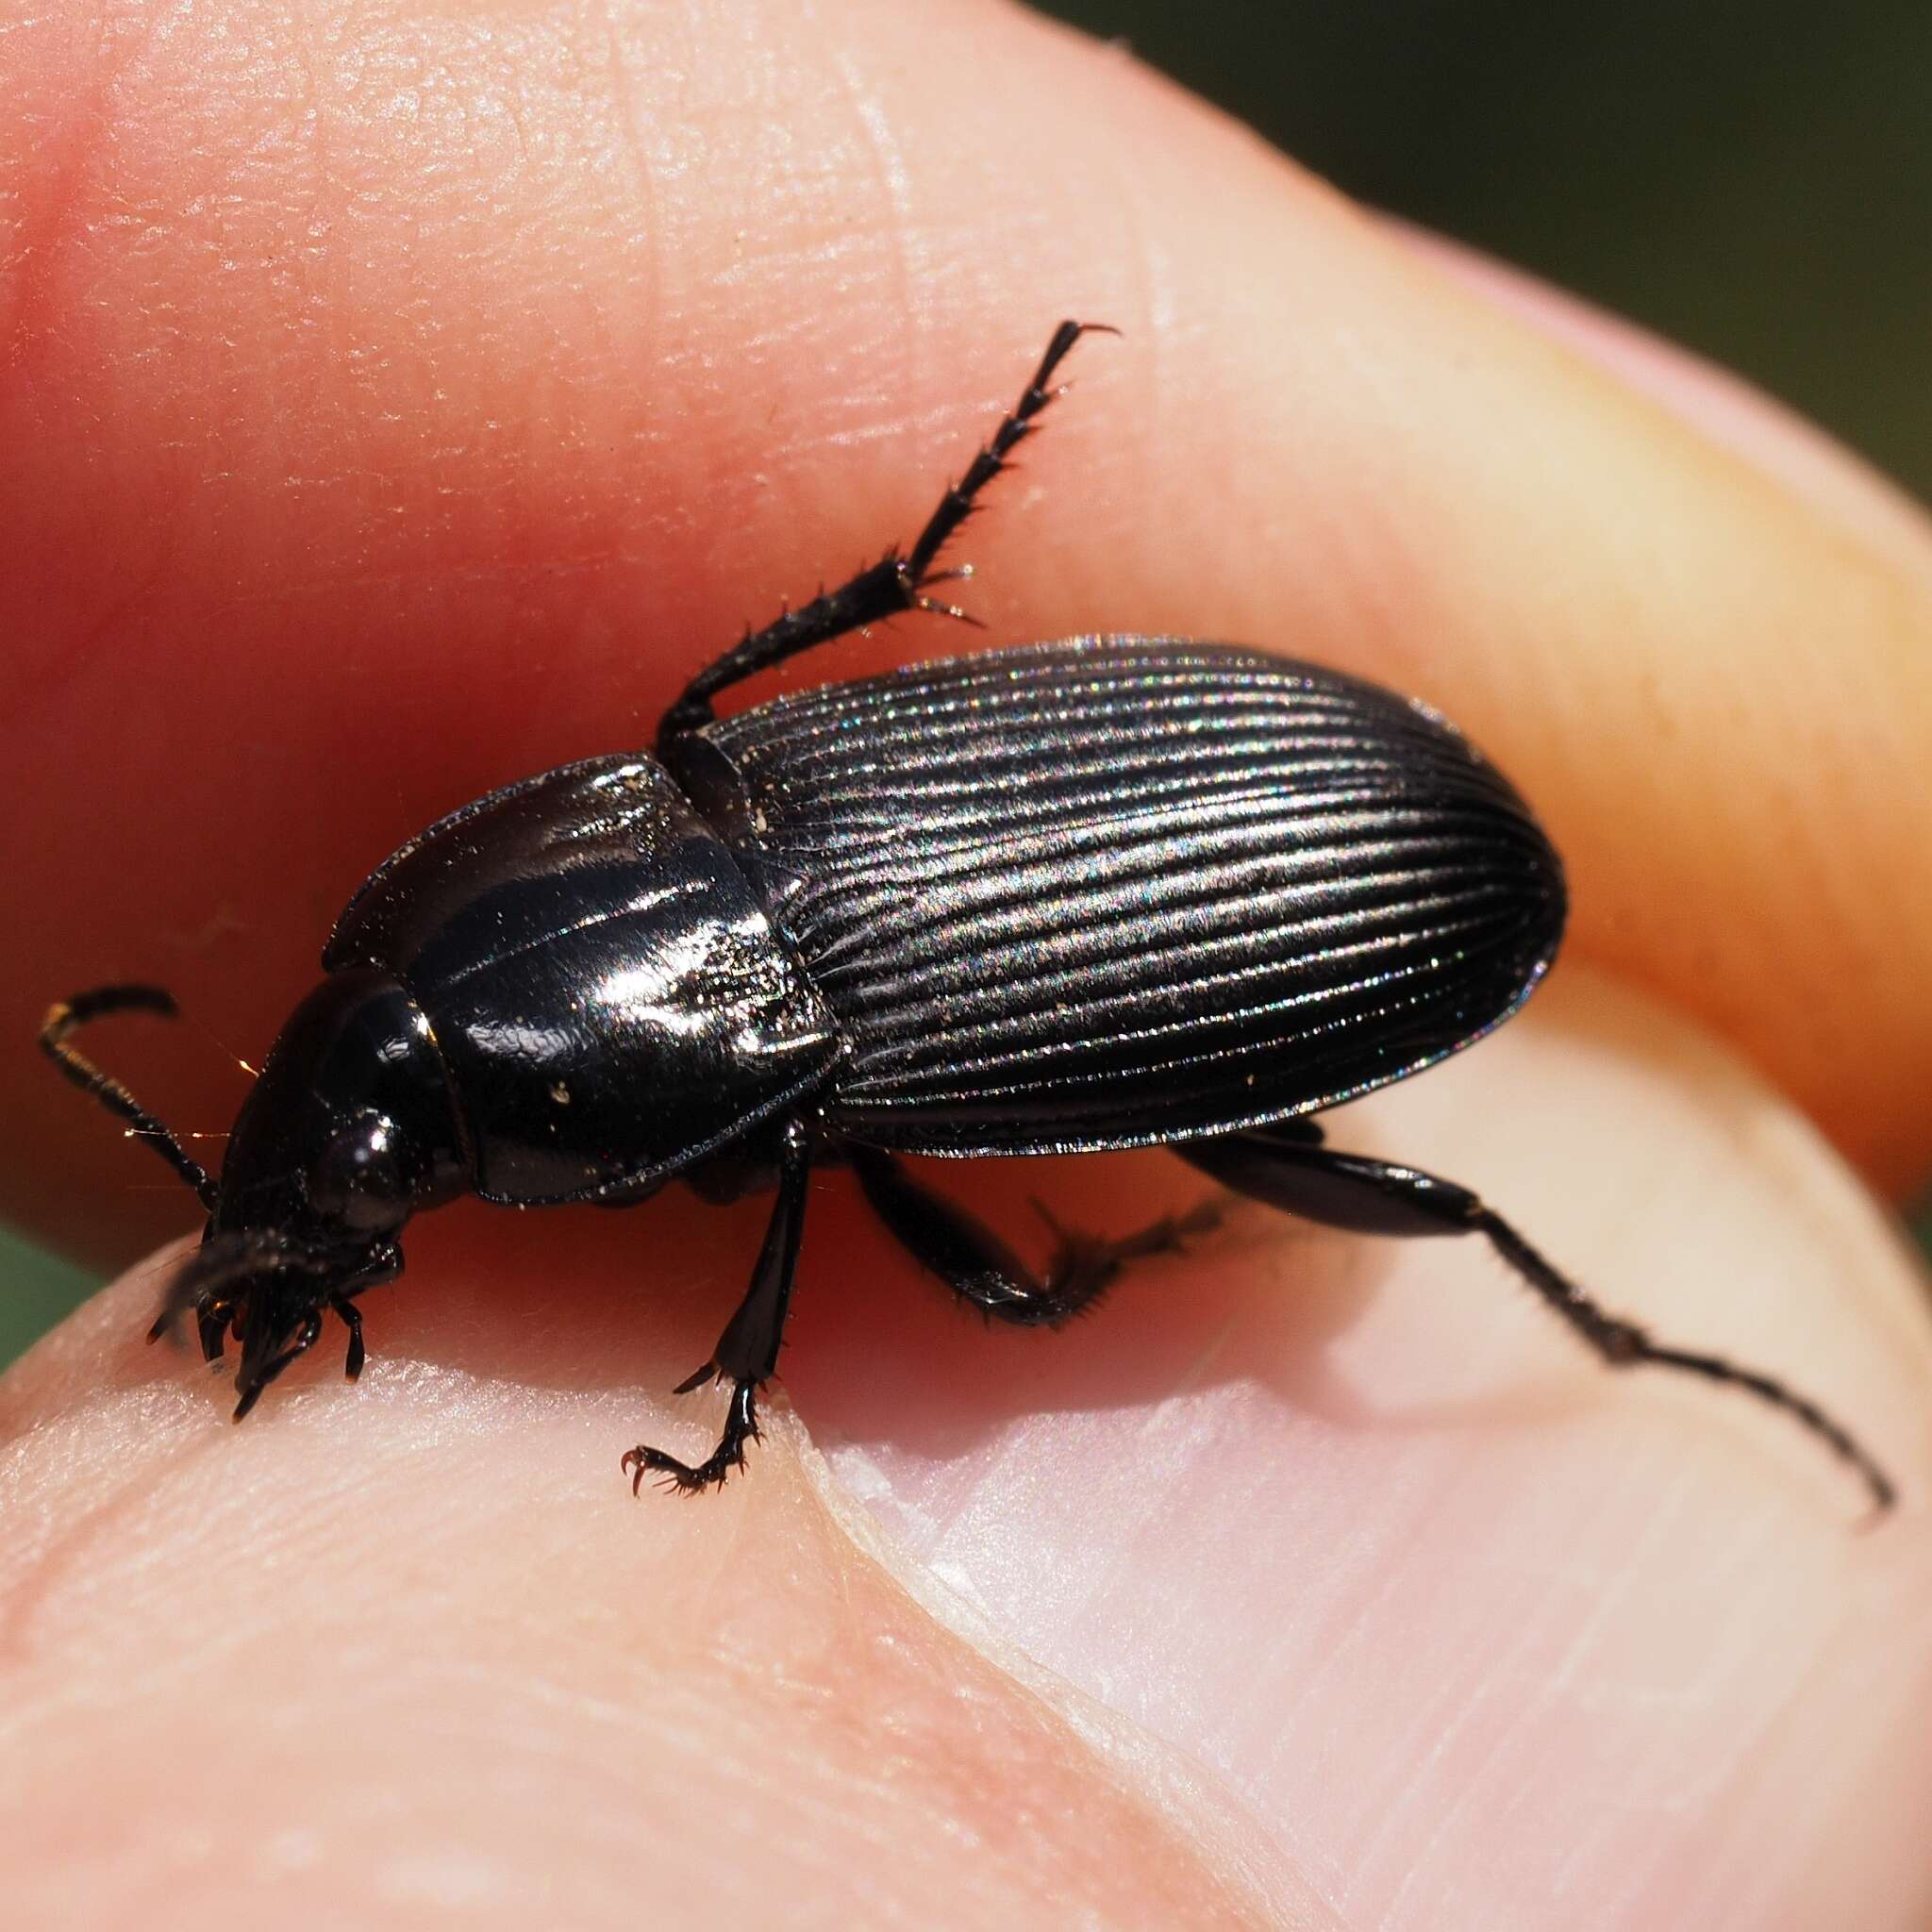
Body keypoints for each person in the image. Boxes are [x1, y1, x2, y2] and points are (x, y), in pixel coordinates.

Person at [2, 2, 1928, 1924]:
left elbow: (761, 1176)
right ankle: (1193, 1181)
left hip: (1378, 884)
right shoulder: (688, 785)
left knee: (1149, 1273)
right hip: (1284, 771)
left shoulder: (755, 995)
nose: (341, 1193)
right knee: (982, 1253)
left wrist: (745, 1391)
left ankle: (1631, 1350)